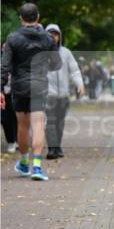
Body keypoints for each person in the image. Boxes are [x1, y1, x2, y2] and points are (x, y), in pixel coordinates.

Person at [0, 3, 62, 180]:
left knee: (22, 125)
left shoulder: (12, 39)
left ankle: (24, 162)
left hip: (19, 87)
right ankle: (37, 167)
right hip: (39, 86)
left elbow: (4, 66)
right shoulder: (48, 39)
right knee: (38, 125)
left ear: (21, 18)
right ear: (38, 17)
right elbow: (57, 64)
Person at [44, 24, 85, 159]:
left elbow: (74, 70)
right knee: (50, 121)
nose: (53, 37)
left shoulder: (66, 53)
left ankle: (58, 147)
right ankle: (51, 149)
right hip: (48, 94)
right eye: (50, 34)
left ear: (59, 36)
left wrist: (80, 84)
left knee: (59, 122)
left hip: (63, 94)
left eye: (55, 34)